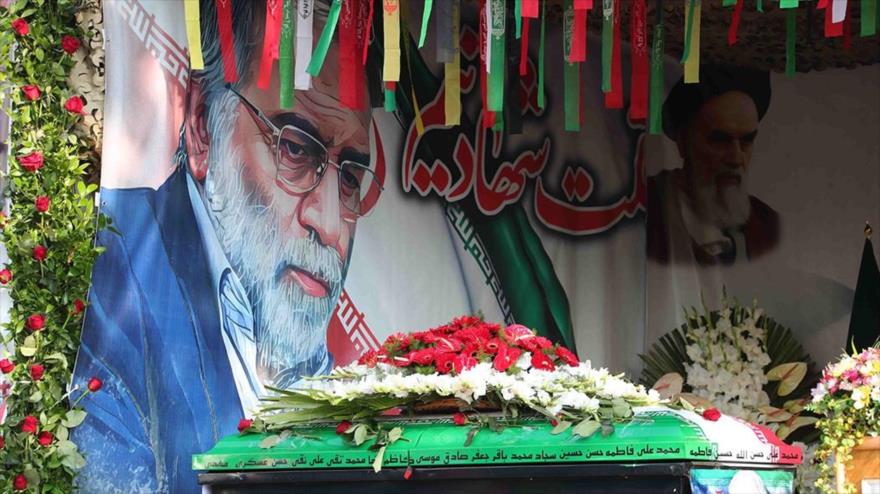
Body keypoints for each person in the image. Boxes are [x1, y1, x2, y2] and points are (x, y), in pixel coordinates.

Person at [70, 2, 382, 492]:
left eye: (349, 177)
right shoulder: (118, 284)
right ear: (200, 126)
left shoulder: (335, 368)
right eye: (295, 148)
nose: (328, 223)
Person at [647, 65, 780, 265]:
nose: (735, 158)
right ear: (683, 143)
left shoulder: (766, 224)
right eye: (720, 140)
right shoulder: (648, 210)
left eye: (746, 141)